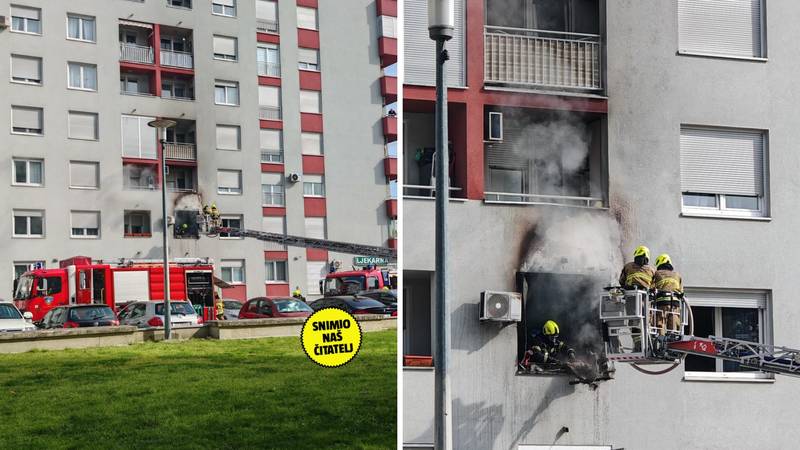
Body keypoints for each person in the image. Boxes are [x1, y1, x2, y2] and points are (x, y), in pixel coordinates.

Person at [652, 253, 683, 335]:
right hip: (675, 304)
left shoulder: (657, 273)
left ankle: (661, 341)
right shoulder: (677, 275)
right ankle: (672, 341)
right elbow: (681, 291)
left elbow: (651, 287)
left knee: (660, 323)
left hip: (663, 302)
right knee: (673, 324)